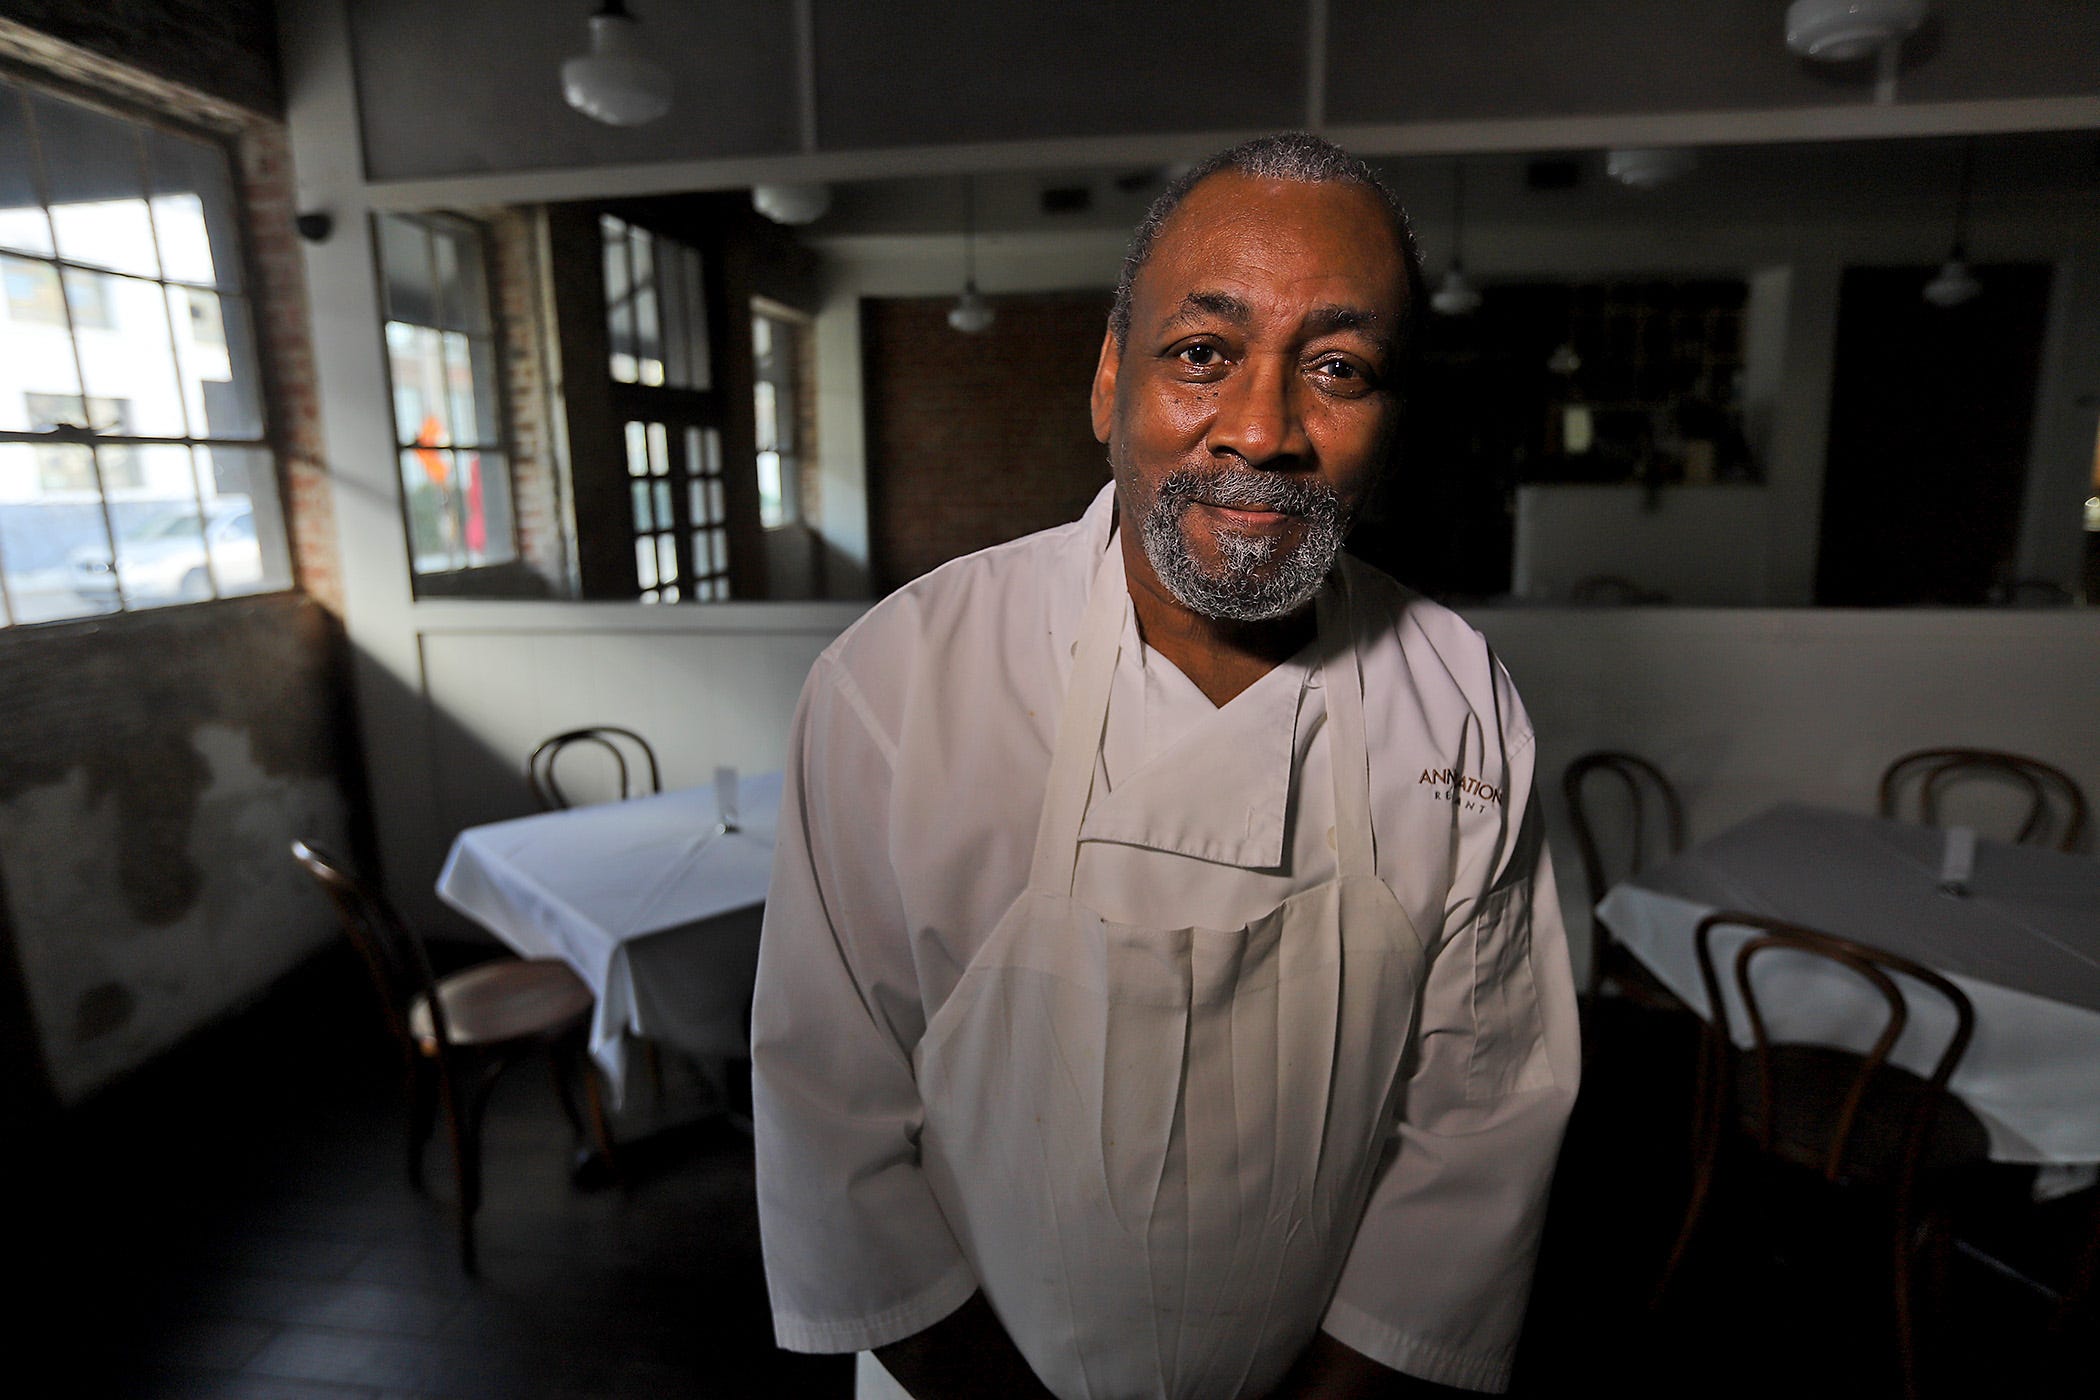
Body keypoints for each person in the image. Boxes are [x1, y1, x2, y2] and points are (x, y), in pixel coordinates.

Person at [752, 133, 1580, 1400]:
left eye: (1340, 368)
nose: (1260, 429)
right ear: (1107, 382)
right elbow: (830, 1111)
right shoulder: (901, 685)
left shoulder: (1458, 703)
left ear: (1391, 424)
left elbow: (1481, 1121)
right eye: (1203, 353)